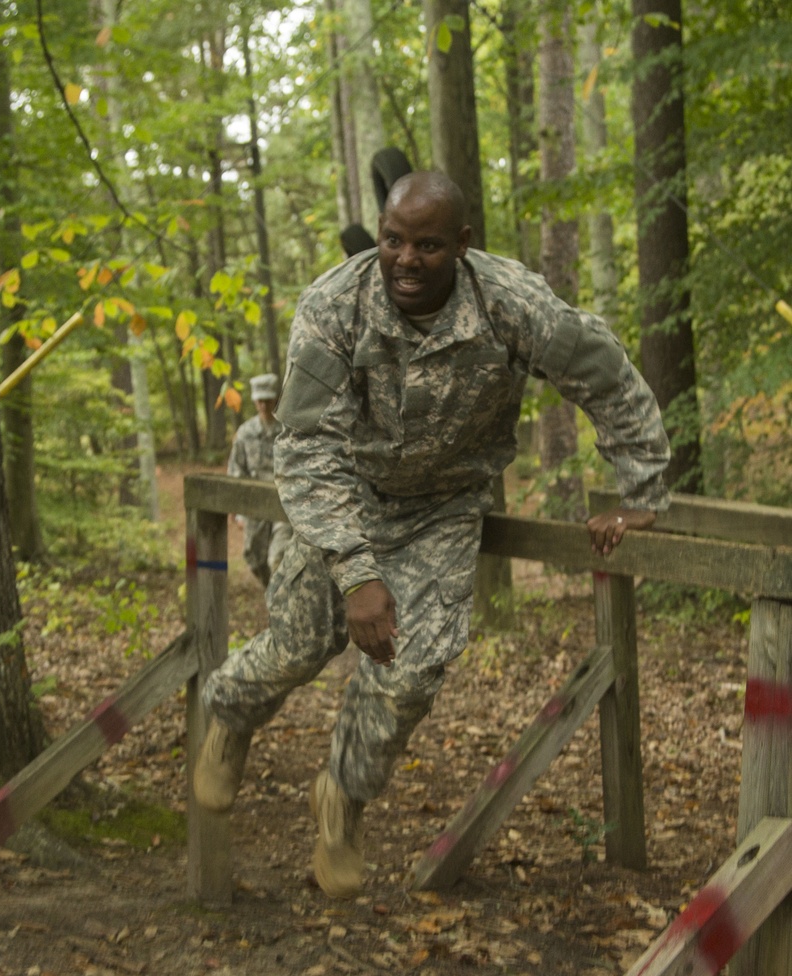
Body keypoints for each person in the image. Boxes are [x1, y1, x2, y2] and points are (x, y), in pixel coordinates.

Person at [194, 171, 670, 900]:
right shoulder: (334, 305)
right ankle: (229, 714)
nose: (405, 259)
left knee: (411, 670)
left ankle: (342, 798)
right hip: (341, 494)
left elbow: (601, 370)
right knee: (297, 644)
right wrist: (356, 572)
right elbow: (305, 449)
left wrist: (641, 490)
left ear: (462, 246)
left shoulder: (510, 305)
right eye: (391, 240)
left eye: (426, 244)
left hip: (442, 506)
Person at [227, 373, 293, 589]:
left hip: (282, 506)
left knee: (278, 556)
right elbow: (236, 471)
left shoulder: (287, 431)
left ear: (276, 398)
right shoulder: (246, 433)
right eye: (260, 400)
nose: (264, 405)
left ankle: (279, 600)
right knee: (254, 557)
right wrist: (237, 511)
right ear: (255, 401)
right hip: (254, 506)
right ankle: (272, 592)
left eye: (268, 399)